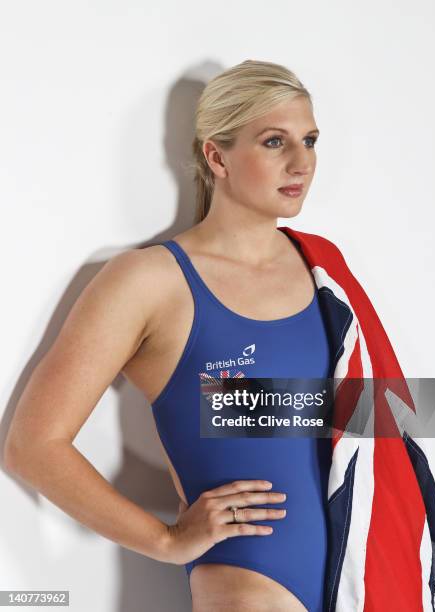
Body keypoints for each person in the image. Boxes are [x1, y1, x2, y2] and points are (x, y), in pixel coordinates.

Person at [4, 59, 331, 611]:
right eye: (275, 142)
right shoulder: (149, 281)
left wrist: (241, 406)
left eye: (311, 140)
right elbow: (32, 446)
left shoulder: (324, 269)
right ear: (216, 155)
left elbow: (366, 418)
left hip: (363, 573)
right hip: (254, 588)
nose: (302, 162)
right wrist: (165, 540)